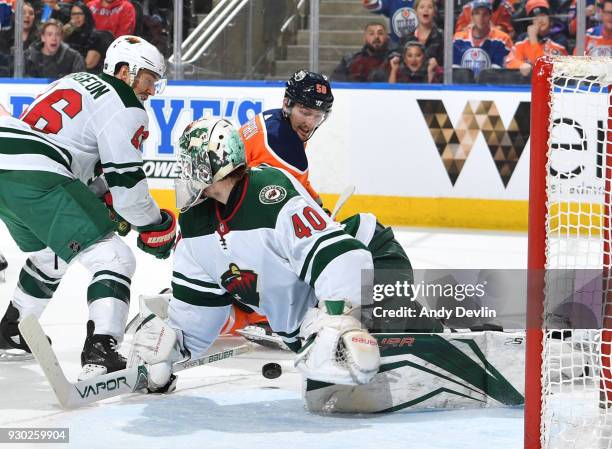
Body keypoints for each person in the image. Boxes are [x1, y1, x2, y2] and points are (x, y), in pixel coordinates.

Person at [131, 117, 441, 393]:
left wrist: (338, 320)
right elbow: (199, 313)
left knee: (380, 322)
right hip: (311, 322)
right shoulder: (195, 226)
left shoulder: (270, 195)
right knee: (328, 357)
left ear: (211, 163)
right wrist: (172, 348)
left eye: (189, 162)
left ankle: (447, 337)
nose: (184, 173)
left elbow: (345, 259)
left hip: (376, 259)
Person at [0, 35, 177, 380]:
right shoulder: (125, 102)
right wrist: (156, 224)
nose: (151, 90)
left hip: (11, 166)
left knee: (53, 254)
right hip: (37, 174)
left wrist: (99, 196)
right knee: (114, 257)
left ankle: (13, 327)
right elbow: (128, 191)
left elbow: (67, 150)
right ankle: (101, 350)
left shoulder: (72, 80)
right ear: (124, 71)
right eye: (147, 79)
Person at [506, 0, 568, 77]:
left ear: (550, 18)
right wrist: (520, 65)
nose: (540, 20)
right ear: (531, 22)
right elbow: (509, 61)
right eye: (535, 17)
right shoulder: (522, 39)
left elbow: (543, 69)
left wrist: (533, 40)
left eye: (543, 15)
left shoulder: (559, 40)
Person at [453, 0, 513, 78]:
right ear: (471, 17)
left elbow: (500, 74)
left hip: (491, 88)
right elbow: (454, 72)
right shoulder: (458, 39)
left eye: (485, 14)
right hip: (463, 88)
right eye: (477, 13)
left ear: (490, 16)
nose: (481, 18)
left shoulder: (503, 40)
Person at [331, 22, 397, 82]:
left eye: (380, 33)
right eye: (371, 34)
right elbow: (335, 83)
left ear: (387, 37)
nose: (376, 37)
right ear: (364, 38)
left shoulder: (395, 59)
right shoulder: (349, 60)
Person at [63, 2, 114, 73]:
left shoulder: (96, 36)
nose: (76, 17)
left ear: (86, 15)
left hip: (90, 74)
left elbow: (89, 64)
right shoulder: (70, 35)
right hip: (71, 72)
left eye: (80, 14)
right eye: (73, 14)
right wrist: (63, 33)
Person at [399, 0, 443, 66]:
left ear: (434, 12)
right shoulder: (406, 38)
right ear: (416, 11)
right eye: (422, 7)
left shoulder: (442, 37)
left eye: (430, 7)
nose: (426, 10)